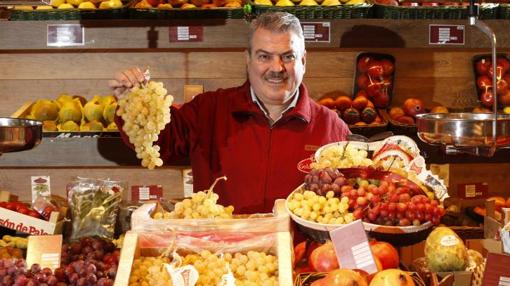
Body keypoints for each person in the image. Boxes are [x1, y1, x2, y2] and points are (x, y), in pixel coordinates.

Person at [110, 12, 350, 214]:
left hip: (297, 261)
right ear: (247, 60)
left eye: (288, 57)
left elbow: (349, 198)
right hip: (219, 259)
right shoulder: (208, 110)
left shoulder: (332, 128)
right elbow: (160, 144)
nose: (276, 68)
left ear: (304, 61)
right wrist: (131, 105)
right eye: (264, 56)